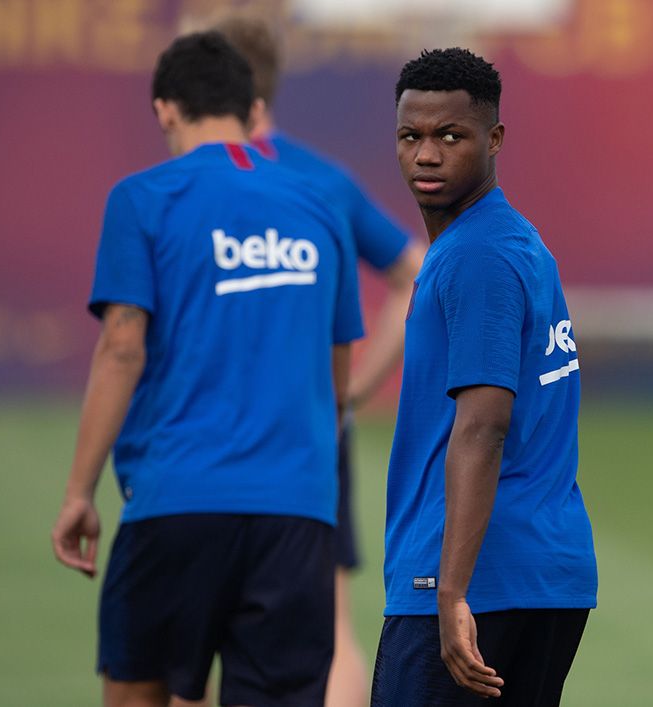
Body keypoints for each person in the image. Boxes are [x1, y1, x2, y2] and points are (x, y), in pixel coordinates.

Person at [49, 32, 362, 707]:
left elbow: (123, 347)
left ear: (164, 110)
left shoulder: (142, 198)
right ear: (253, 109)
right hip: (297, 516)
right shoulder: (320, 208)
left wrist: (80, 490)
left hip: (175, 503)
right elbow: (338, 372)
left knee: (138, 694)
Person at [371, 48, 597, 706]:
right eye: (411, 137)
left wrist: (450, 589)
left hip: (475, 582)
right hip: (546, 575)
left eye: (451, 135)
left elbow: (484, 424)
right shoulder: (516, 241)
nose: (428, 155)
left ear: (494, 139)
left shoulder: (477, 255)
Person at [211, 16, 426, 706]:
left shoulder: (183, 183)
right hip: (310, 425)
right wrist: (355, 390)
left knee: (196, 629)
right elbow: (415, 276)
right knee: (329, 624)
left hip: (207, 431)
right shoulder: (321, 181)